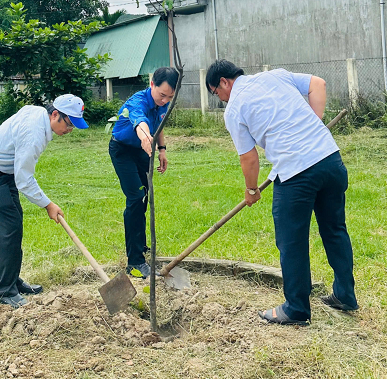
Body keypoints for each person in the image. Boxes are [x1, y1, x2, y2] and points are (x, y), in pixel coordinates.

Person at [206, 59, 358, 325]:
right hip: (330, 160)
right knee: (335, 229)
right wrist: (314, 125)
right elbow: (317, 84)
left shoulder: (234, 109)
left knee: (291, 241)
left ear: (223, 82)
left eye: (216, 93)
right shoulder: (275, 75)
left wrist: (251, 189)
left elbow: (249, 159)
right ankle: (345, 295)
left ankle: (296, 309)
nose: (220, 99)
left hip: (296, 172)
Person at [0, 94, 88, 308]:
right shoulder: (34, 133)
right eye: (69, 124)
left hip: (3, 172)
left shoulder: (39, 115)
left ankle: (12, 280)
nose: (70, 131)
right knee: (8, 229)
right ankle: (5, 291)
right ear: (55, 114)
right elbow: (24, 180)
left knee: (14, 224)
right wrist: (48, 204)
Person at [109, 67, 179, 279]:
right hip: (123, 151)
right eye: (161, 95)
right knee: (136, 198)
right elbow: (141, 122)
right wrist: (145, 137)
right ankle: (135, 261)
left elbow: (160, 122)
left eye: (170, 97)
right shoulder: (136, 102)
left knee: (144, 197)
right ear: (152, 85)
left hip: (143, 151)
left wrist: (162, 150)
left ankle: (139, 243)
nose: (164, 100)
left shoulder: (162, 104)